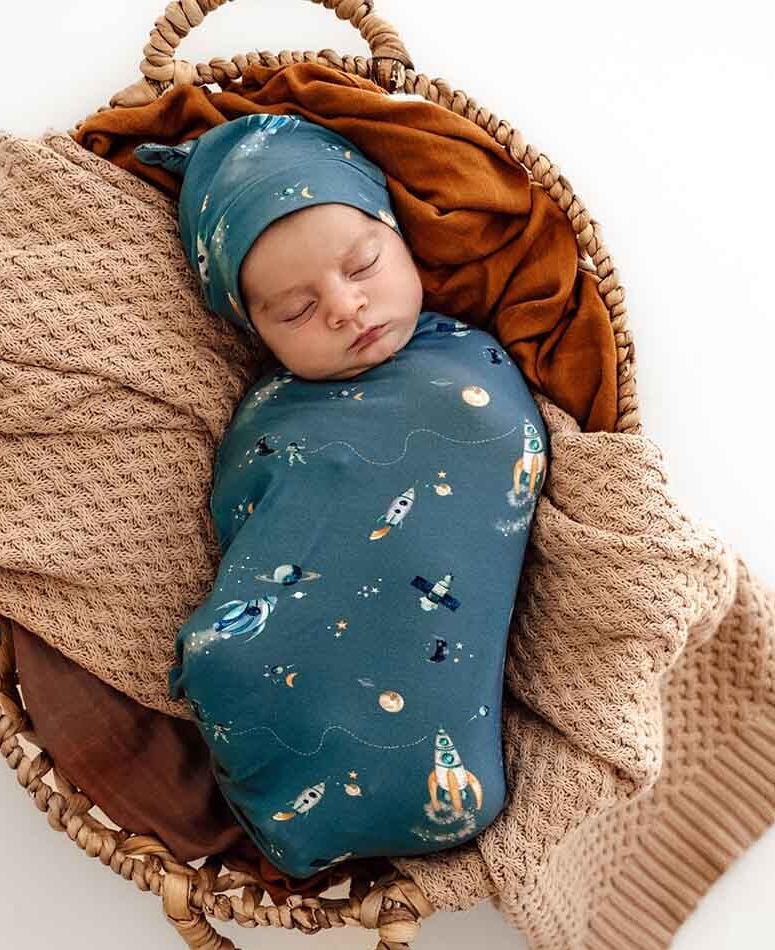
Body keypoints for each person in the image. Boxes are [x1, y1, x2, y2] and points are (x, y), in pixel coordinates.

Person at [134, 114, 549, 878]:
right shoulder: (273, 414)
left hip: (439, 691)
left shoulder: (472, 350)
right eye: (295, 310)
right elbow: (259, 515)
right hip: (270, 652)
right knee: (248, 666)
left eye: (363, 265)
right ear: (252, 329)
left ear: (399, 233)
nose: (344, 307)